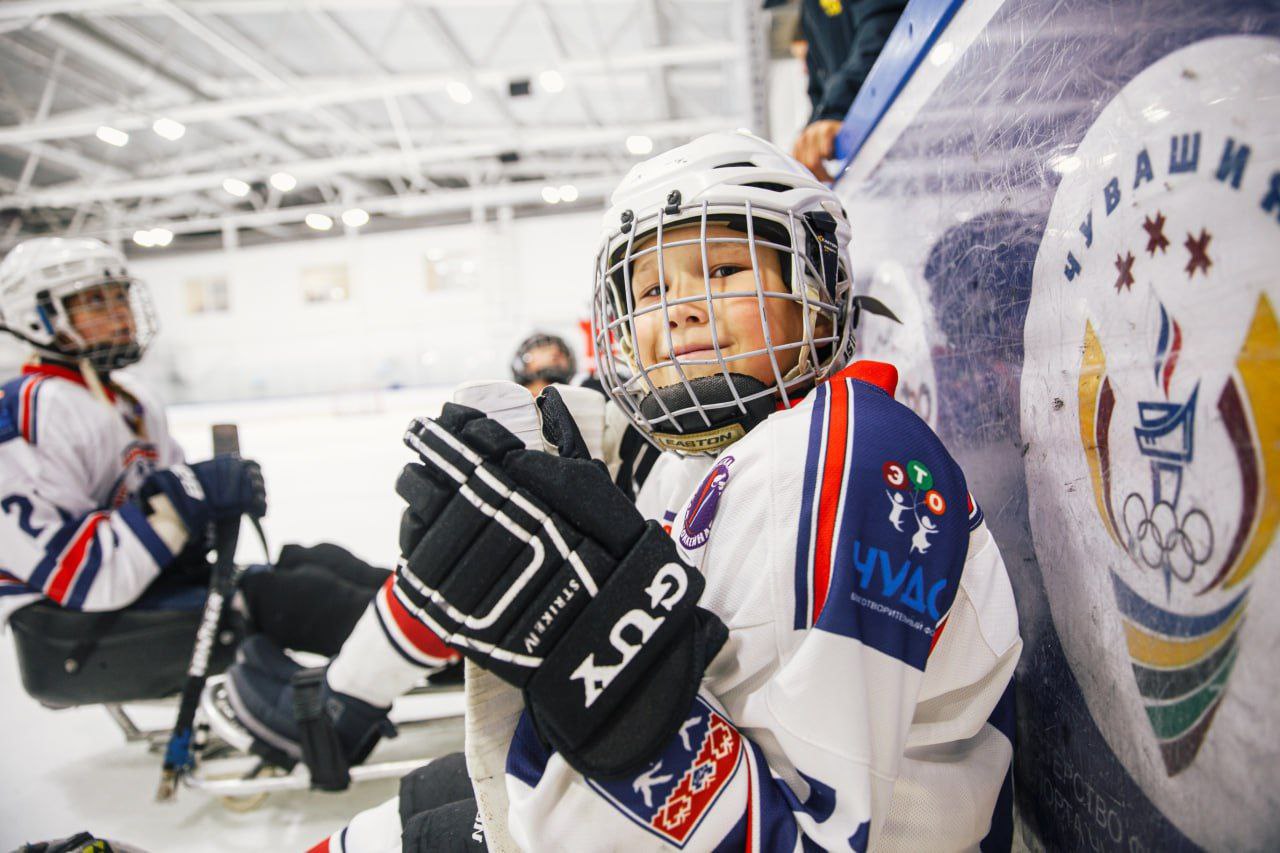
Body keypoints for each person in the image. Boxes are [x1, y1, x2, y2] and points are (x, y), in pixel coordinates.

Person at [294, 130, 1020, 852]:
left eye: (724, 268)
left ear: (817, 288)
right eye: (651, 289)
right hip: (698, 791)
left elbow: (808, 837)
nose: (678, 309)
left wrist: (594, 669)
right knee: (415, 808)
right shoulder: (700, 457)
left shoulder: (846, 460)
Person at [0, 237, 379, 690]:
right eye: (95, 301)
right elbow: (84, 576)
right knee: (295, 598)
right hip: (71, 631)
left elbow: (170, 510)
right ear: (37, 318)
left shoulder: (130, 398)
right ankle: (433, 651)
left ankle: (442, 617)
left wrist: (212, 502)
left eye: (120, 296)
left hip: (145, 591)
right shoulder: (26, 413)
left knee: (318, 562)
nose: (119, 312)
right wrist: (184, 498)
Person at [787, 0, 907, 182]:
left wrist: (836, 110)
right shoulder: (810, 12)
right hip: (885, 155)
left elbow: (884, 22)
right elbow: (819, 89)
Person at [510, 332, 577, 397]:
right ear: (524, 359)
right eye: (544, 349)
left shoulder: (574, 398)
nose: (554, 352)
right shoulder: (511, 399)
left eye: (562, 352)